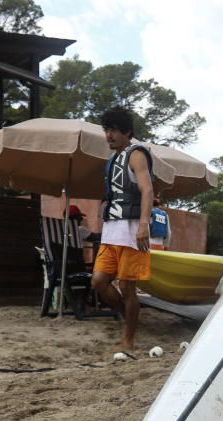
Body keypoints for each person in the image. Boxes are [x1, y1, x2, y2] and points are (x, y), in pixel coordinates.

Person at [91, 106, 153, 355]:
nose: (109, 135)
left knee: (128, 288)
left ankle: (128, 340)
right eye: (106, 130)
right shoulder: (112, 160)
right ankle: (130, 317)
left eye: (114, 130)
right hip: (111, 231)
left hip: (131, 232)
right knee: (98, 281)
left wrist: (144, 225)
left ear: (127, 131)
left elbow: (147, 190)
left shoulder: (136, 154)